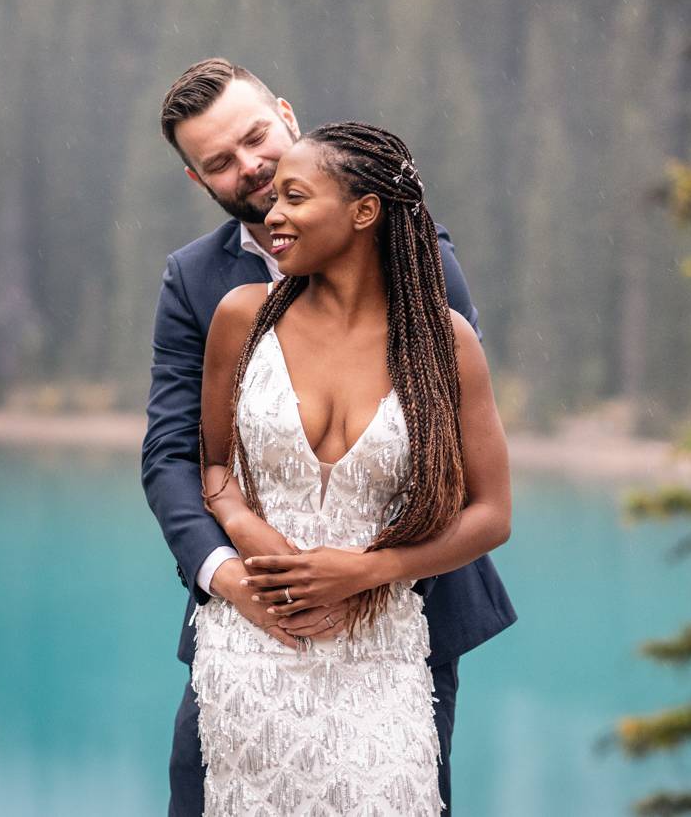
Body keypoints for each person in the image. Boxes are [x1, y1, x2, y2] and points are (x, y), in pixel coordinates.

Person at [141, 58, 516, 814]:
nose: (250, 166)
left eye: (255, 137)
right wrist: (233, 574)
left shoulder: (421, 265)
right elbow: (176, 457)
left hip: (401, 634)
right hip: (249, 630)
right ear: (199, 180)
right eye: (220, 161)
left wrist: (369, 577)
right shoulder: (203, 288)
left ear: (285, 112)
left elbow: (451, 461)